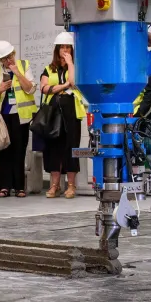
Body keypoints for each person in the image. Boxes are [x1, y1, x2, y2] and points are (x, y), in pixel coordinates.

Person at [39, 32, 86, 199]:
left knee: (71, 147)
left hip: (72, 110)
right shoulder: (48, 68)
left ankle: (71, 185)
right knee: (54, 148)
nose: (65, 50)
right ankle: (54, 185)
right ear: (57, 49)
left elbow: (73, 83)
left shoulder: (77, 66)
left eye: (68, 47)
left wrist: (70, 64)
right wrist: (64, 86)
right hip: (53, 111)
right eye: (62, 47)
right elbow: (44, 88)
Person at [0, 40, 35, 198]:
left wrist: (17, 72)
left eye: (10, 56)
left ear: (14, 54)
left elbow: (30, 88)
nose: (8, 61)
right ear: (0, 60)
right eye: (5, 59)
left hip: (21, 115)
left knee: (19, 150)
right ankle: (4, 186)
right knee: (4, 150)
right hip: (4, 115)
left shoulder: (23, 65)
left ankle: (19, 187)